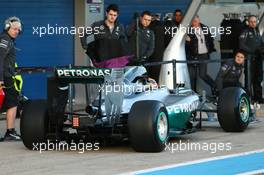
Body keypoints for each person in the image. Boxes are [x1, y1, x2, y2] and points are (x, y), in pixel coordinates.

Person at [80, 4, 130, 68]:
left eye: (115, 15)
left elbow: (123, 40)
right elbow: (83, 34)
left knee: (114, 77)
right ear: (106, 14)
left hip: (113, 60)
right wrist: (86, 47)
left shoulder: (120, 26)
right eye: (111, 14)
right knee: (99, 78)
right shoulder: (97, 25)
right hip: (98, 60)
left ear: (117, 16)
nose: (112, 17)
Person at [0, 16, 22, 141]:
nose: (16, 31)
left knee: (9, 103)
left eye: (18, 29)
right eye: (14, 29)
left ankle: (10, 132)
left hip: (7, 75)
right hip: (5, 78)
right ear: (7, 27)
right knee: (12, 103)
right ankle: (10, 132)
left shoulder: (8, 39)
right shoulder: (5, 39)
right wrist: (1, 79)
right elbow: (0, 60)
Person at [186, 15, 216, 91]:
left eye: (195, 21)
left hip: (203, 55)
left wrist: (211, 49)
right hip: (193, 55)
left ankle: (215, 86)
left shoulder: (205, 28)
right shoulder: (188, 29)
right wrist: (188, 41)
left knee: (202, 75)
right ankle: (193, 92)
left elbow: (210, 39)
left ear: (199, 20)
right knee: (192, 76)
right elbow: (185, 45)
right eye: (192, 21)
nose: (194, 23)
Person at [239, 15, 264, 103]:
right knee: (249, 79)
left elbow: (260, 44)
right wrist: (252, 51)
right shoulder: (245, 31)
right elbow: (241, 45)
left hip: (258, 59)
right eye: (251, 22)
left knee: (258, 79)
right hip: (250, 60)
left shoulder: (257, 32)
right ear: (248, 22)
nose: (253, 23)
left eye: (255, 21)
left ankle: (258, 97)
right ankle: (248, 98)